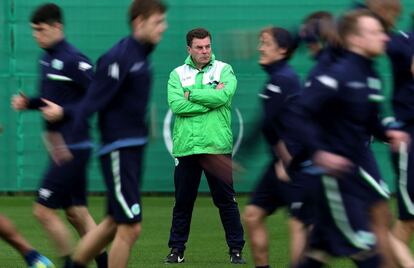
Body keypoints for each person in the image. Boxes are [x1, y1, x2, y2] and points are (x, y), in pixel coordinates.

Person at [39, 0, 168, 267]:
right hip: (118, 150)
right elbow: (92, 101)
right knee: (130, 227)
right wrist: (64, 132)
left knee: (111, 223)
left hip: (132, 150)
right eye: (158, 22)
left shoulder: (141, 55)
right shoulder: (120, 56)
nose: (163, 28)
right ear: (138, 23)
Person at [286, 9, 409, 267]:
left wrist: (389, 133)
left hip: (352, 173)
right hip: (333, 178)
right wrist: (320, 152)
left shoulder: (372, 75)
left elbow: (370, 121)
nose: (384, 38)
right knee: (368, 249)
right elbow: (299, 113)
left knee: (317, 253)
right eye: (374, 33)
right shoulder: (339, 74)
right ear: (355, 39)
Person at [10, 3, 107, 268]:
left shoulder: (75, 59)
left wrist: (64, 111)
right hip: (61, 146)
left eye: (40, 30)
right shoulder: (45, 58)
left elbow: (98, 97)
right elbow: (48, 101)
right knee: (77, 214)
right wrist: (29, 103)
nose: (36, 35)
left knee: (42, 210)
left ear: (57, 27)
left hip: (73, 146)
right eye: (33, 30)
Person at [165, 27, 246, 264]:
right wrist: (210, 97)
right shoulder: (176, 74)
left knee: (226, 202)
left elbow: (223, 97)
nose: (204, 51)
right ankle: (176, 250)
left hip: (216, 147)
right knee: (183, 203)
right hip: (187, 147)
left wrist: (191, 94)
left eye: (208, 46)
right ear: (189, 49)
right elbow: (177, 106)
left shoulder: (225, 69)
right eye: (199, 47)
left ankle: (236, 250)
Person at [242, 27, 309, 268]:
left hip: (297, 163)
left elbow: (295, 129)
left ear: (282, 50)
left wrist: (287, 160)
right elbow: (267, 125)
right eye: (260, 42)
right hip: (279, 161)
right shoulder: (276, 79)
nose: (260, 48)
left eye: (266, 43)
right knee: (252, 216)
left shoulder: (285, 79)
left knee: (298, 224)